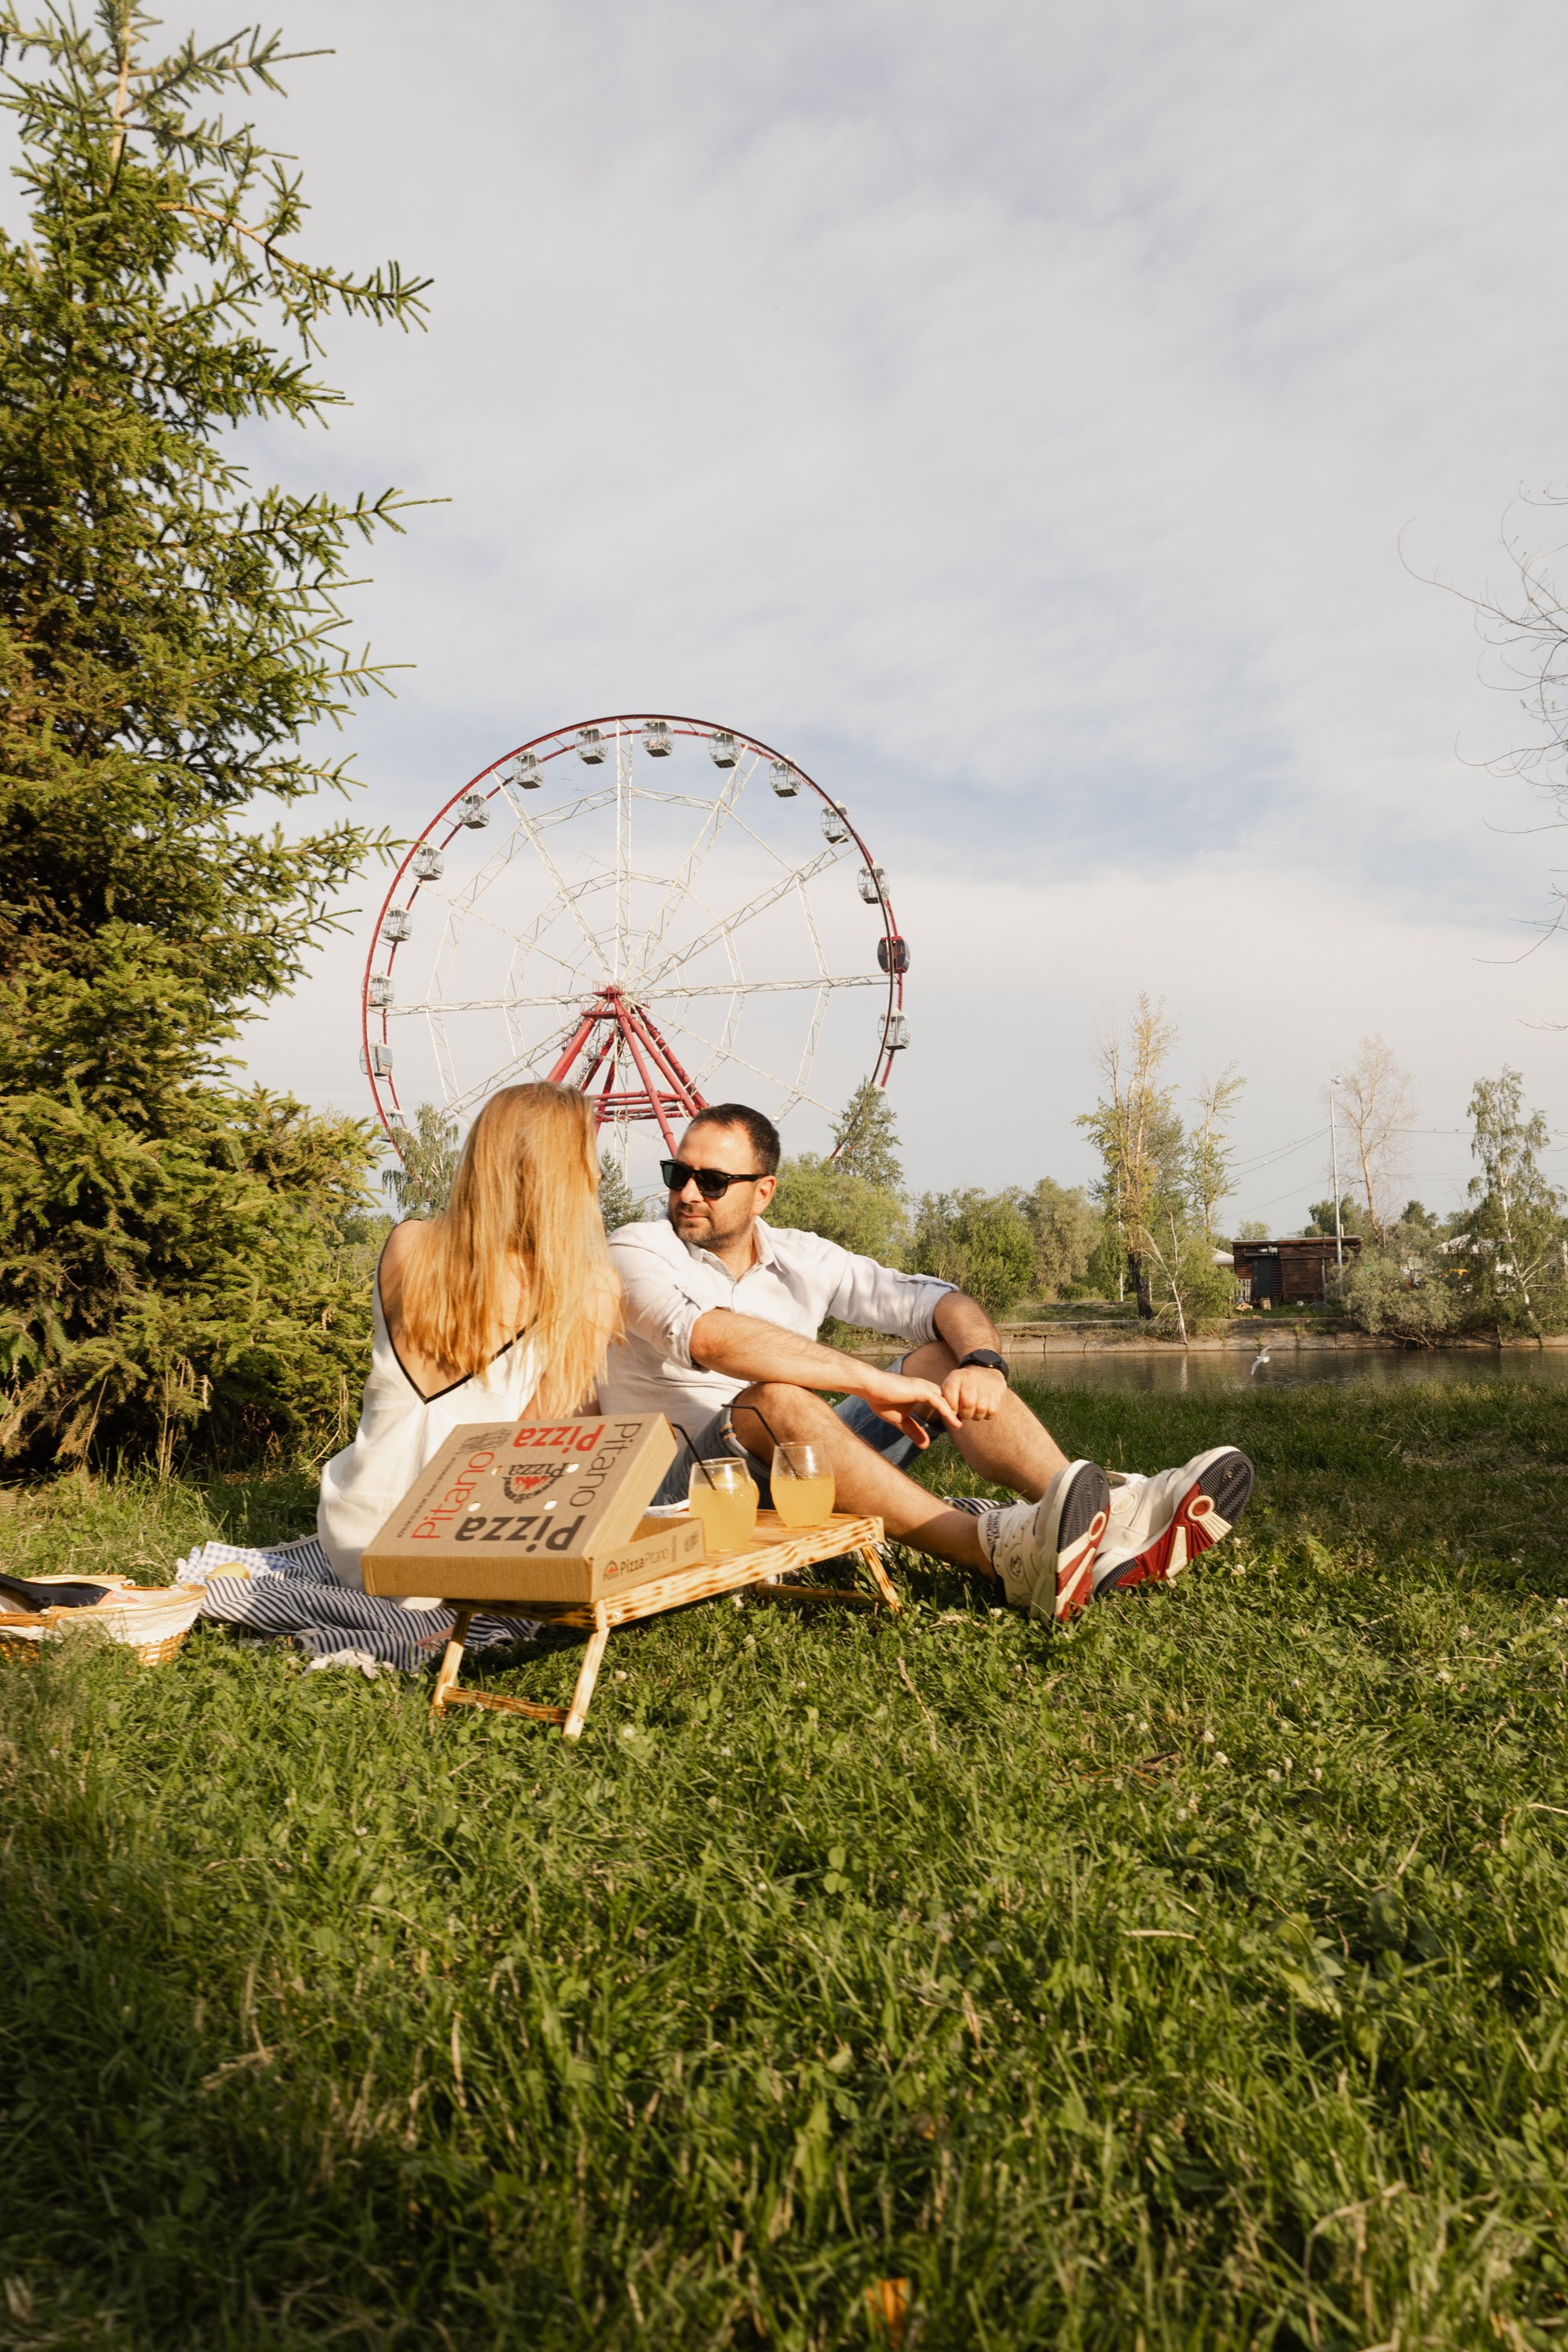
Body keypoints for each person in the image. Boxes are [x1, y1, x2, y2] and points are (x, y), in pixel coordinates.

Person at [601, 1102, 1253, 1621]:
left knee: (941, 1356)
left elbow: (942, 1300)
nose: (686, 1192)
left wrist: (984, 1362)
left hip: (789, 1468)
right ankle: (995, 1556)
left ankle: (1101, 1521)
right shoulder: (635, 1249)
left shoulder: (804, 1255)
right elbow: (711, 1340)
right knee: (778, 1399)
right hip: (676, 1492)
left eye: (711, 1181)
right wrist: (870, 1379)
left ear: (763, 1191)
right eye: (676, 1174)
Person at [318, 1083, 620, 1591]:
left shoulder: (406, 1243)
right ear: (564, 1174)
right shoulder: (587, 1287)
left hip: (354, 1531)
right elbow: (543, 1455)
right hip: (456, 1552)